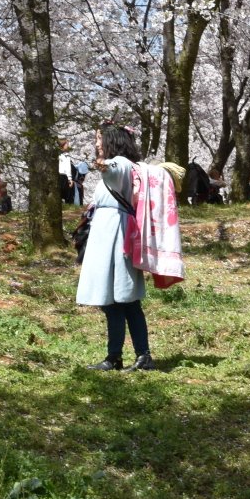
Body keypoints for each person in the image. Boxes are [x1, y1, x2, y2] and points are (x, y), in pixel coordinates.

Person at [75, 124, 156, 372]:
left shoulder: (120, 163)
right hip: (106, 233)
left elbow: (112, 167)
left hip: (116, 235)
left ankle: (141, 356)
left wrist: (101, 163)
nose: (97, 143)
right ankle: (115, 356)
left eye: (99, 138)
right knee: (112, 300)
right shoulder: (122, 166)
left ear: (112, 140)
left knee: (126, 299)